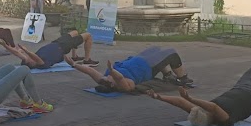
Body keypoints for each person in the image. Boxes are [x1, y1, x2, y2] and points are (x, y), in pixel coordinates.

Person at [147, 61, 251, 126]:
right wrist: (190, 97)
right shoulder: (223, 120)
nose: (198, 108)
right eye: (202, 110)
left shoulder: (202, 113)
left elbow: (181, 103)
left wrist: (159, 97)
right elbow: (214, 107)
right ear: (208, 116)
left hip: (241, 87)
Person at [65, 46, 193, 93]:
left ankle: (167, 74)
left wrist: (73, 65)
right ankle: (182, 78)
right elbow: (119, 77)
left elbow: (90, 71)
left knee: (156, 49)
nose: (107, 76)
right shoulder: (123, 85)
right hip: (147, 67)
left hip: (137, 60)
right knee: (171, 53)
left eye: (106, 77)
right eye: (109, 78)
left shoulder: (103, 80)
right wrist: (111, 70)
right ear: (111, 84)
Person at [1, 30, 98, 68]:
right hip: (64, 46)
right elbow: (33, 56)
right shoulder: (42, 63)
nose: (26, 57)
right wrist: (25, 50)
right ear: (31, 63)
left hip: (56, 42)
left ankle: (74, 56)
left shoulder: (30, 60)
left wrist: (4, 45)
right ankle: (87, 59)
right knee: (88, 35)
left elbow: (17, 54)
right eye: (28, 58)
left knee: (75, 32)